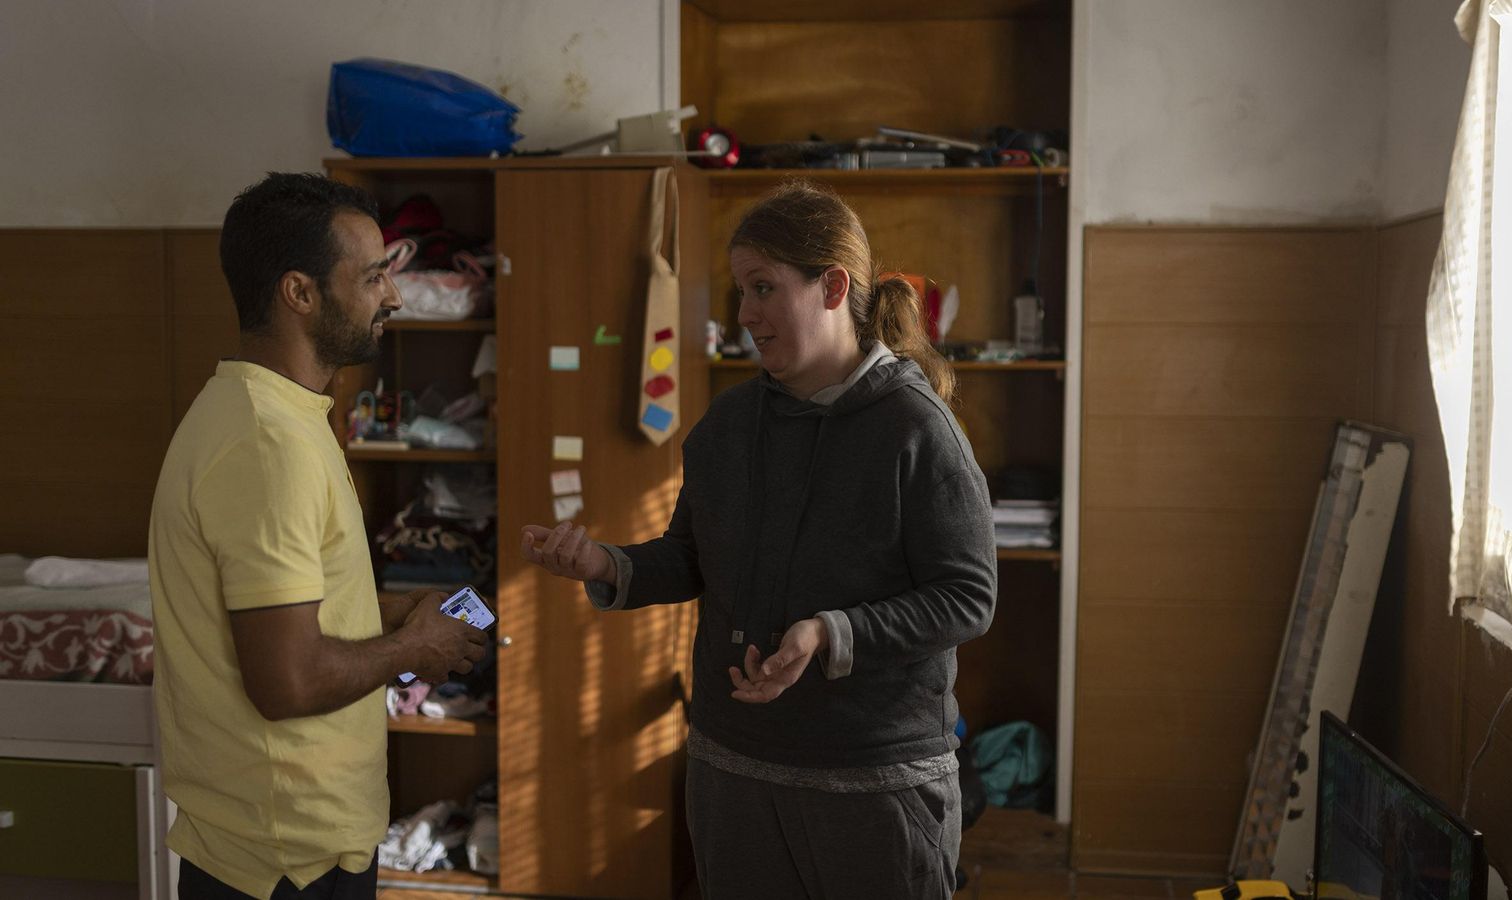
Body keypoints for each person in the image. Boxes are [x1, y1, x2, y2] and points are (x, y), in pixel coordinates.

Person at [521, 179, 997, 898]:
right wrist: (604, 562)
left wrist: (831, 632)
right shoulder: (729, 424)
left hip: (872, 782)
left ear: (833, 286)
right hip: (733, 769)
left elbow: (968, 598)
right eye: (741, 290)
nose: (745, 314)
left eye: (764, 288)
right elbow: (690, 557)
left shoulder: (915, 427)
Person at [148, 173, 488, 900]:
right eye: (372, 278)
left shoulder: (278, 416)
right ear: (300, 293)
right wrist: (414, 649)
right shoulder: (268, 446)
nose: (392, 297)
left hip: (296, 837)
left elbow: (286, 617)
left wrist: (385, 617)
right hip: (283, 856)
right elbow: (287, 680)